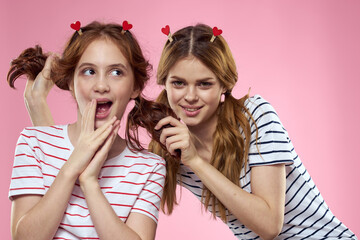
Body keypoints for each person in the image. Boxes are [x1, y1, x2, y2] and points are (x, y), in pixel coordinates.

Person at [19, 24, 357, 240]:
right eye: (178, 83)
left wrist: (194, 160)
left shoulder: (254, 117)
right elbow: (81, 157)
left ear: (225, 84)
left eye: (205, 84)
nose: (190, 97)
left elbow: (270, 225)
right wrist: (41, 115)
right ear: (164, 83)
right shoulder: (163, 145)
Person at [7, 21, 167, 240]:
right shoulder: (33, 142)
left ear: (136, 87)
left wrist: (90, 183)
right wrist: (73, 165)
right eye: (89, 71)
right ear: (71, 82)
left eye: (116, 72)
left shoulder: (149, 167)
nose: (101, 85)